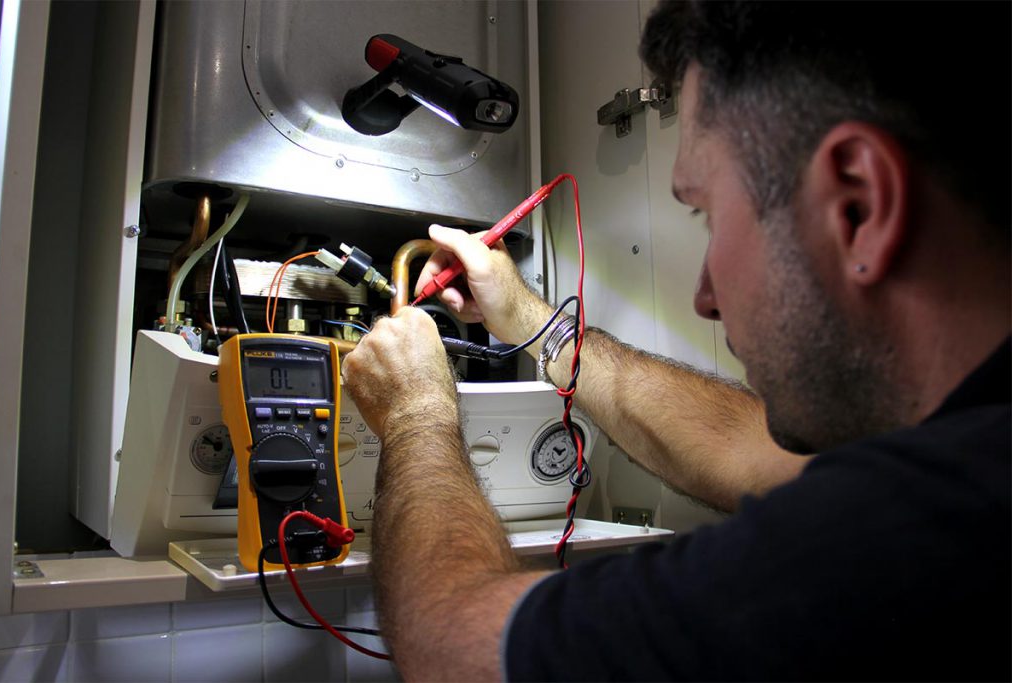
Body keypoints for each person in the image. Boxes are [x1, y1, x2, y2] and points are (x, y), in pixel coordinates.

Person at [342, 1, 1010, 679]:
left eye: (708, 215)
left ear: (859, 205)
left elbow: (454, 646)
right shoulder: (966, 450)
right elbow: (744, 448)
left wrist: (417, 412)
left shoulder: (912, 536)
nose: (705, 296)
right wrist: (530, 320)